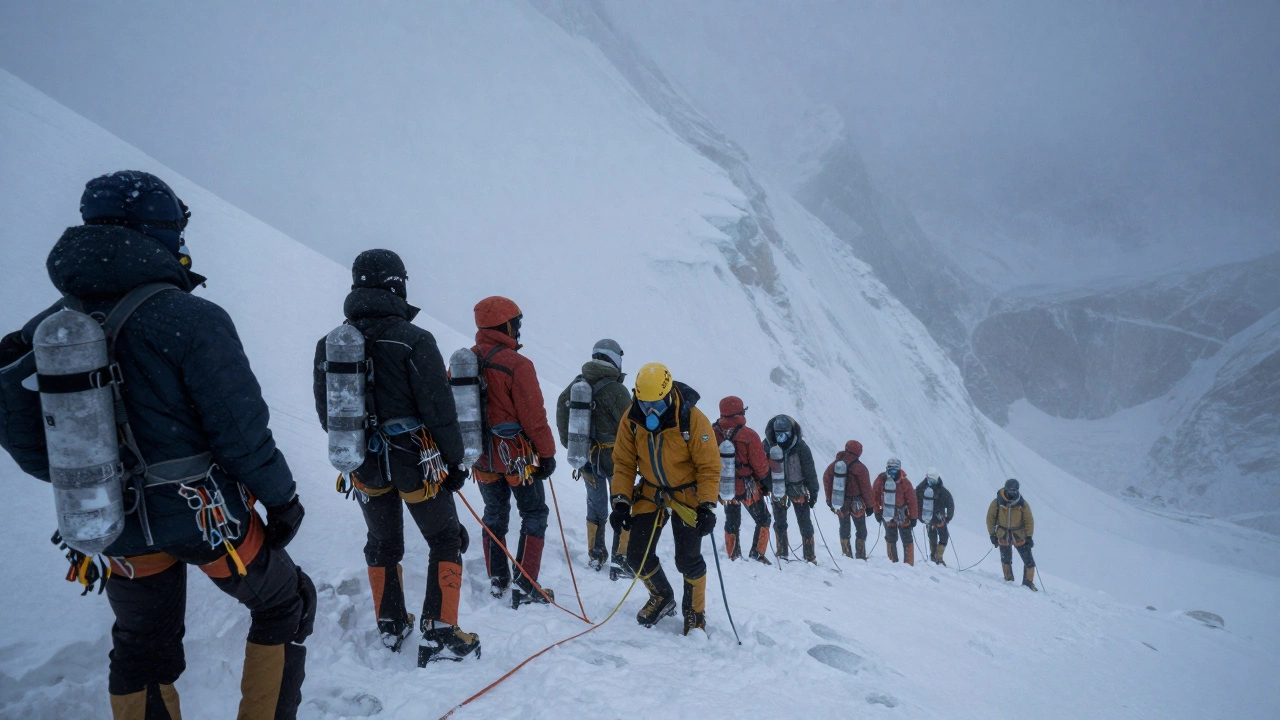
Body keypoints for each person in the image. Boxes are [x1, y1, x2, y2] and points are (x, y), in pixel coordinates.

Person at [0, 171, 314, 719]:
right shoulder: (190, 318)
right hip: (206, 518)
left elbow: (30, 447)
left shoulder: (45, 331)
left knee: (142, 650)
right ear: (160, 232)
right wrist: (282, 499)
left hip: (108, 522)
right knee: (284, 603)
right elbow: (240, 431)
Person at [312, 249, 479, 665]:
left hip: (364, 462)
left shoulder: (331, 344)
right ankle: (440, 633)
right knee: (444, 538)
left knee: (383, 543)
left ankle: (390, 624)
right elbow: (439, 412)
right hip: (415, 460)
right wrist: (455, 462)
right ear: (397, 285)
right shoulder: (414, 339)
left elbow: (326, 415)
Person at [609, 363, 718, 635]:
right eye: (644, 404)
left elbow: (709, 466)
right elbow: (623, 462)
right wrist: (621, 502)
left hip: (687, 495)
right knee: (636, 554)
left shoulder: (692, 419)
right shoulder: (632, 420)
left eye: (656, 404)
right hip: (650, 492)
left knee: (688, 559)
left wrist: (706, 506)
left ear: (668, 394)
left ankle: (695, 612)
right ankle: (662, 595)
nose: (650, 412)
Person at [469, 296, 558, 605]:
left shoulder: (464, 362)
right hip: (517, 459)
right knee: (534, 512)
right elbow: (534, 418)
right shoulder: (518, 365)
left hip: (480, 457)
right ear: (505, 325)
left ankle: (498, 579)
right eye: (515, 324)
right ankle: (526, 583)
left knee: (494, 513)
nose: (518, 329)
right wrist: (547, 454)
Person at [555, 339, 631, 577]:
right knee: (622, 504)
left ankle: (596, 555)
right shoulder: (617, 390)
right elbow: (631, 426)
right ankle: (620, 559)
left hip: (587, 457)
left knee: (595, 504)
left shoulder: (577, 384)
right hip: (614, 458)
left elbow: (561, 411)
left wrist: (574, 445)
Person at [712, 396, 772, 565]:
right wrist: (765, 482)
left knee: (732, 519)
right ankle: (757, 553)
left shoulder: (711, 432)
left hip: (724, 486)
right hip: (746, 487)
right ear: (740, 411)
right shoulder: (749, 435)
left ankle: (733, 554)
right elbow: (760, 466)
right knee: (763, 518)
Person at [763, 415, 820, 563]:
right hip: (783, 488)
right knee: (782, 522)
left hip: (792, 489)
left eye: (784, 433)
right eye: (778, 433)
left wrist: (813, 491)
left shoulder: (800, 447)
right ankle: (785, 553)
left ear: (791, 431)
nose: (781, 437)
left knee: (803, 522)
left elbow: (810, 471)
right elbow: (763, 468)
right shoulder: (796, 446)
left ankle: (807, 555)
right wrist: (765, 485)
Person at [822, 440, 873, 559]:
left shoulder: (835, 464)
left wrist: (829, 500)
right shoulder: (860, 468)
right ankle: (860, 555)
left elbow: (827, 479)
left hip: (840, 501)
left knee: (844, 527)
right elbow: (866, 488)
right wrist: (870, 506)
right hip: (857, 503)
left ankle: (846, 553)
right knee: (860, 528)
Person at [986, 478, 1037, 590]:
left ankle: (1028, 583)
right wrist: (992, 534)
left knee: (1028, 561)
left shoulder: (1023, 504)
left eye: (1015, 491)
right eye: (1010, 491)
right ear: (1006, 489)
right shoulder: (997, 502)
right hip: (1003, 534)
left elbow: (1029, 521)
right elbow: (990, 518)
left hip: (1019, 535)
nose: (1012, 493)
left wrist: (1029, 537)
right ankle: (1008, 579)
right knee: (1006, 559)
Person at [873, 458, 918, 565]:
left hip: (887, 514)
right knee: (907, 539)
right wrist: (913, 517)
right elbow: (912, 501)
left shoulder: (880, 480)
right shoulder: (905, 482)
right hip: (903, 514)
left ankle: (892, 561)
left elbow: (874, 497)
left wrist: (877, 512)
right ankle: (908, 563)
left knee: (891, 537)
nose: (892, 473)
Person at [915, 467, 955, 566]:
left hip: (927, 518)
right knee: (944, 536)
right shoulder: (942, 491)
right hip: (939, 518)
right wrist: (948, 518)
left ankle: (933, 556)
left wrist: (917, 516)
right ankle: (939, 557)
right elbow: (950, 504)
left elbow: (914, 501)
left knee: (932, 536)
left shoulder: (920, 488)